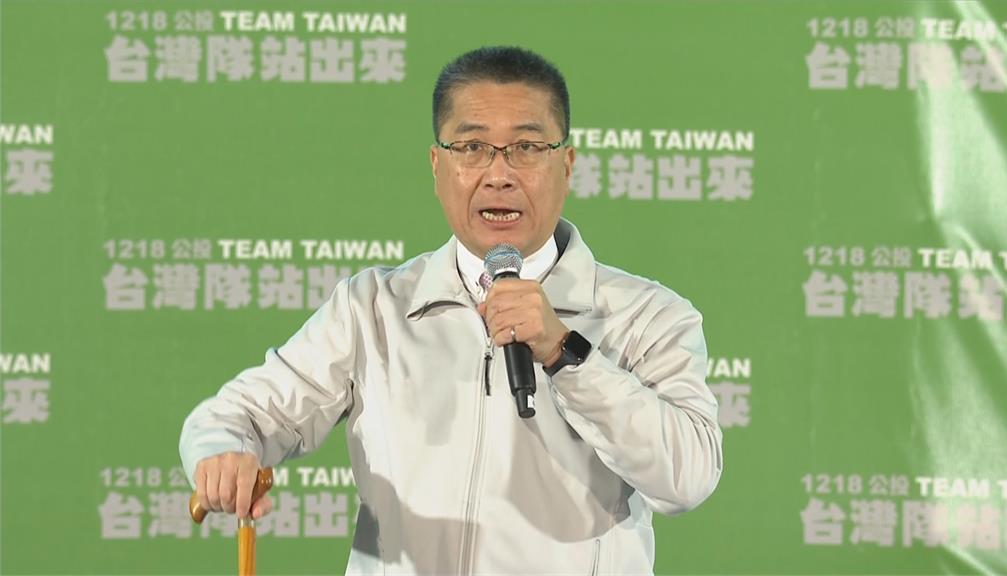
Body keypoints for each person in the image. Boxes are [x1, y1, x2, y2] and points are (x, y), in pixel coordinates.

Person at [180, 45, 723, 575]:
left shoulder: (646, 315)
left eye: (527, 147)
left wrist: (565, 352)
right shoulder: (373, 309)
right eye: (472, 147)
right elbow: (237, 416)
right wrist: (224, 453)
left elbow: (689, 477)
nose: (499, 174)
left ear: (567, 164)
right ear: (438, 166)